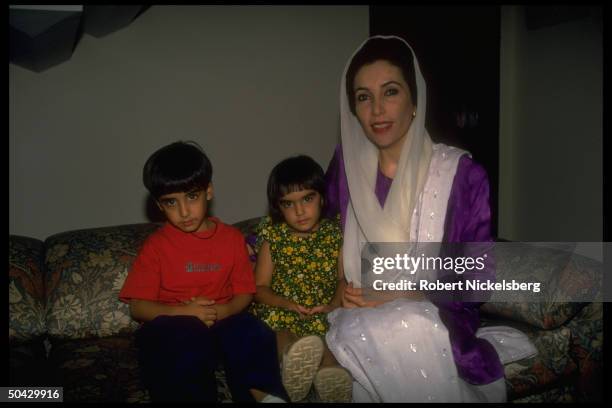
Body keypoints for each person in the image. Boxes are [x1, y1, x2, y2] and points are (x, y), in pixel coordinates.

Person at [323, 36, 535, 402]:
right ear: (353, 109)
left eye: (390, 92)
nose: (377, 109)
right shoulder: (345, 170)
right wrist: (337, 288)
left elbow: (474, 277)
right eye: (363, 97)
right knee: (377, 329)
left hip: (435, 309)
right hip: (356, 310)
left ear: (415, 101)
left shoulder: (461, 175)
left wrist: (404, 293)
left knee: (407, 324)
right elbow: (320, 240)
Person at [119, 141, 288, 403]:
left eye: (192, 196)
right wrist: (185, 313)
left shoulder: (231, 239)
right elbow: (138, 307)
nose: (184, 211)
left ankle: (266, 395)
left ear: (208, 191)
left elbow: (244, 293)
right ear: (159, 205)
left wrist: (224, 311)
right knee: (182, 339)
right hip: (173, 326)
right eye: (171, 202)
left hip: (222, 321)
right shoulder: (156, 246)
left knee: (252, 330)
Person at [249, 155, 352, 402]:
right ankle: (291, 363)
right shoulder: (274, 237)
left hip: (322, 310)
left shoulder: (335, 234)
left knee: (328, 339)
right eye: (288, 204)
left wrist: (334, 306)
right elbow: (259, 287)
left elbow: (342, 279)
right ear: (278, 207)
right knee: (281, 333)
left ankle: (330, 375)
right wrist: (285, 304)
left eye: (307, 198)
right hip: (282, 310)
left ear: (323, 197)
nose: (299, 211)